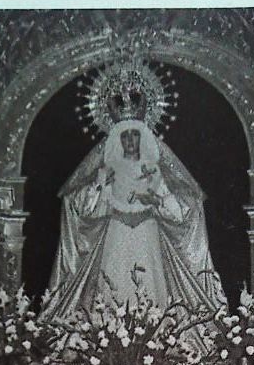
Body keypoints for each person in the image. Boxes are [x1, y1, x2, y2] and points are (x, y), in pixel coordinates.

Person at [40, 115, 226, 323]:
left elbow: (176, 210)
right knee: (112, 280)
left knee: (150, 281)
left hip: (147, 232)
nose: (129, 140)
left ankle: (154, 333)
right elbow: (87, 208)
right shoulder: (108, 169)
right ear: (117, 140)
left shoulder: (152, 170)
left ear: (142, 138)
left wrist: (156, 200)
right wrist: (99, 185)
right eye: (124, 135)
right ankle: (109, 333)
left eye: (134, 135)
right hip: (116, 230)